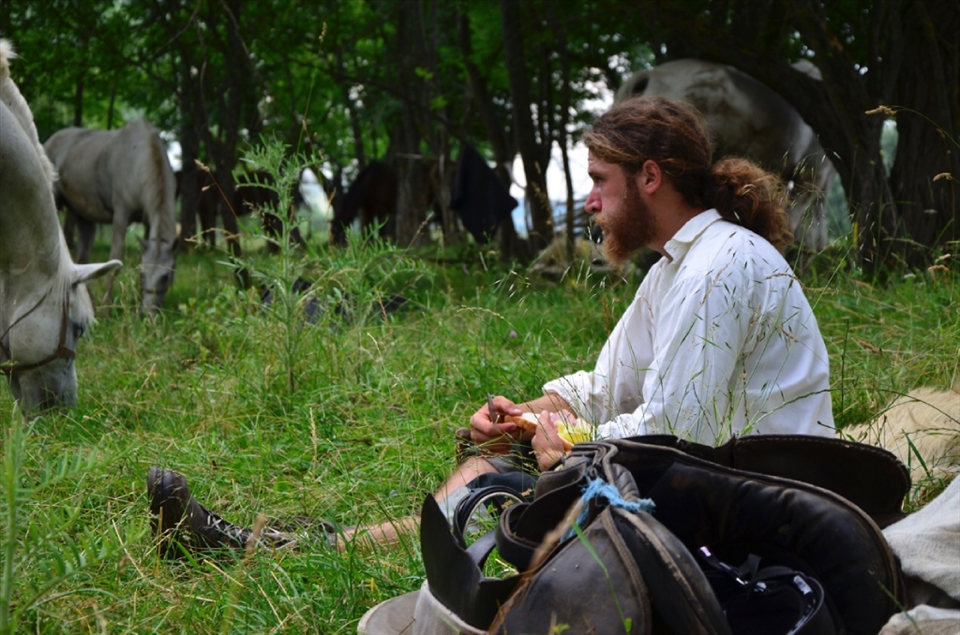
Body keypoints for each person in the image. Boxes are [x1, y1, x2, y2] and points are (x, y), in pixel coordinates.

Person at [148, 95, 835, 554]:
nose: (590, 201)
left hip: (767, 516)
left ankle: (292, 545)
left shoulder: (719, 266)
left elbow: (679, 434)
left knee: (508, 482)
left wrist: (560, 438)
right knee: (497, 460)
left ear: (650, 177)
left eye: (599, 180)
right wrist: (525, 418)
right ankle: (303, 544)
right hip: (718, 486)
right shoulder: (673, 270)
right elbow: (604, 386)